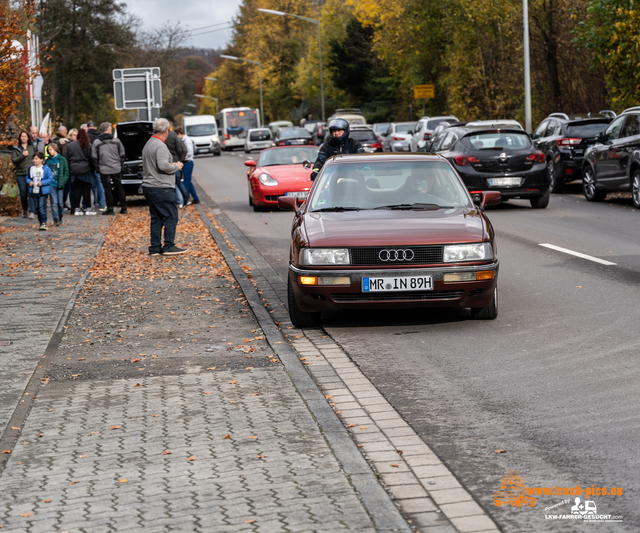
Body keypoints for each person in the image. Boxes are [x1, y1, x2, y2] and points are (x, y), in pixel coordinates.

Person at [141, 118, 186, 256]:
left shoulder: (148, 143)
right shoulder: (160, 146)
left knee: (156, 218)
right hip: (161, 187)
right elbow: (162, 165)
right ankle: (168, 246)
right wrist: (176, 166)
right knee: (171, 216)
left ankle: (154, 248)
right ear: (166, 130)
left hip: (149, 186)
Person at [92, 122, 127, 215]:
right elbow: (122, 154)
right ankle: (124, 207)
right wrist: (120, 165)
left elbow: (94, 157)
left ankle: (110, 209)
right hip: (116, 168)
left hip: (104, 169)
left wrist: (98, 168)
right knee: (119, 187)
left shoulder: (96, 142)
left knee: (107, 188)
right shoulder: (116, 141)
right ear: (108, 130)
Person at [66, 129, 96, 215]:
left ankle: (76, 208)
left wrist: (69, 170)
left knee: (77, 190)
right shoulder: (88, 145)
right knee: (86, 190)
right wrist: (93, 168)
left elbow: (67, 158)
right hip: (86, 170)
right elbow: (92, 158)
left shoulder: (70, 146)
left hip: (74, 170)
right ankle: (88, 208)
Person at [11, 130, 36, 218]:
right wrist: (23, 155)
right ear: (20, 138)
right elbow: (14, 160)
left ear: (28, 137)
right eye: (22, 136)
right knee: (23, 193)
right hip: (21, 174)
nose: (24, 138)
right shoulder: (16, 148)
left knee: (32, 192)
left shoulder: (32, 147)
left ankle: (32, 211)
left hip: (31, 174)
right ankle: (25, 210)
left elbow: (37, 157)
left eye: (25, 136)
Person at [27, 152, 53, 231]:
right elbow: (27, 178)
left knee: (42, 207)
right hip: (34, 191)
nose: (34, 160)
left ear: (41, 159)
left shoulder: (45, 168)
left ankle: (44, 223)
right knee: (37, 208)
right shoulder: (31, 168)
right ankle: (40, 222)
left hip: (42, 192)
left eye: (36, 159)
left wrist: (42, 183)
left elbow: (50, 179)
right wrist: (29, 182)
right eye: (34, 159)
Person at [45, 143, 69, 226]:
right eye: (48, 150)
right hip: (51, 184)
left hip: (59, 184)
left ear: (55, 149)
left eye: (51, 149)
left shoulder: (62, 159)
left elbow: (66, 172)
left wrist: (63, 181)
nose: (49, 151)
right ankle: (55, 219)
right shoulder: (48, 161)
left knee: (60, 203)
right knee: (53, 202)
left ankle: (60, 215)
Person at [175, 126, 199, 205]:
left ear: (179, 134)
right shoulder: (185, 140)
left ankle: (186, 199)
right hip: (187, 162)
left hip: (188, 162)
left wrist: (181, 159)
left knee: (186, 181)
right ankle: (195, 198)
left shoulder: (187, 140)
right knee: (188, 181)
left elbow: (189, 152)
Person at [86, 121, 106, 212]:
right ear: (96, 127)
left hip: (89, 164)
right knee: (100, 183)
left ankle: (96, 202)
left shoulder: (86, 137)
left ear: (87, 128)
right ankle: (102, 204)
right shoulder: (100, 137)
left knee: (92, 185)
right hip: (99, 163)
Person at [165, 128, 188, 207]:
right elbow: (181, 150)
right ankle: (185, 199)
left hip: (169, 161)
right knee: (179, 181)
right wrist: (179, 160)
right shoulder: (174, 136)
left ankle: (180, 201)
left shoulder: (165, 137)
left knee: (174, 183)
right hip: (176, 161)